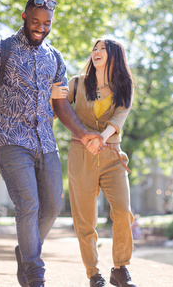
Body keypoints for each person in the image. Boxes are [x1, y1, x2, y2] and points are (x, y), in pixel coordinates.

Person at [0, 0, 102, 287]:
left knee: (53, 206)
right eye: (35, 21)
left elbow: (61, 105)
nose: (40, 28)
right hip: (10, 138)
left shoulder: (55, 58)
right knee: (28, 205)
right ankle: (34, 274)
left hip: (46, 142)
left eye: (46, 23)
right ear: (24, 17)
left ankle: (26, 251)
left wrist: (82, 133)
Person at [65, 39, 137, 287]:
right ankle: (93, 274)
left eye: (102, 49)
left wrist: (100, 138)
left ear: (114, 55)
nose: (95, 52)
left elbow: (119, 117)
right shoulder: (76, 83)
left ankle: (120, 268)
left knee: (122, 212)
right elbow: (58, 110)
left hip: (112, 155)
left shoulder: (125, 86)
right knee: (85, 219)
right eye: (94, 48)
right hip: (80, 155)